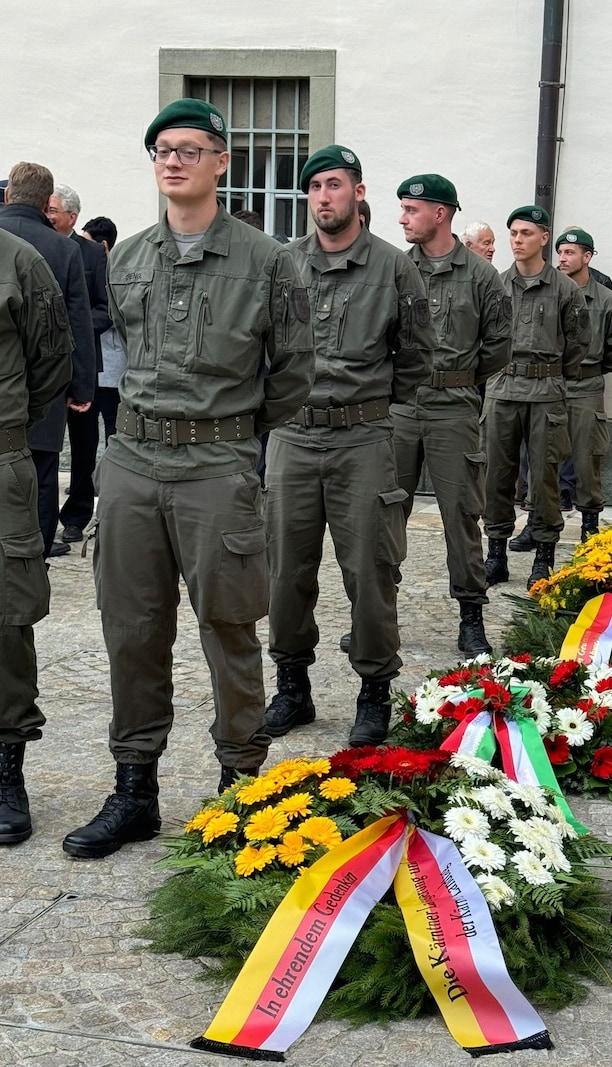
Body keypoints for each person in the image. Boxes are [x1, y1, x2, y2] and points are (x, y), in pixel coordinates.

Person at [61, 98, 314, 859]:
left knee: (229, 627)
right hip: (133, 463)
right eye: (162, 150)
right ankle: (134, 787)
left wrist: (230, 431)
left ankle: (241, 785)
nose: (173, 160)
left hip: (217, 467)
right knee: (132, 630)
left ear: (220, 161)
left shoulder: (268, 260)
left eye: (190, 149)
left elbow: (294, 373)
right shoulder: (129, 256)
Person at [263, 145, 434, 747]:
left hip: (363, 438)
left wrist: (371, 408)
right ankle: (292, 687)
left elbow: (416, 356)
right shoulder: (282, 263)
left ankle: (373, 690)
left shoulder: (394, 267)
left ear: (358, 193)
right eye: (313, 188)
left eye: (333, 185)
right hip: (291, 435)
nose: (322, 198)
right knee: (285, 569)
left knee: (370, 571)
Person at [394, 174, 511, 655]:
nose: (402, 218)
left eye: (411, 210)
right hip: (400, 406)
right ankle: (375, 615)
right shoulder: (396, 269)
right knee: (383, 513)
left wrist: (456, 379)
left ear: (439, 214)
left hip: (454, 409)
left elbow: (498, 347)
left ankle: (470, 616)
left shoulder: (481, 276)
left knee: (462, 514)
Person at [0, 227, 73, 844]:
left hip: (0, 465)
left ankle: (6, 768)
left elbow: (53, 357)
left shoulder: (18, 262)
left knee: (6, 620)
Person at [483, 205, 589, 589]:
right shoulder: (495, 284)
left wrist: (553, 376)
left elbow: (578, 342)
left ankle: (543, 557)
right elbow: (484, 336)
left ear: (544, 238)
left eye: (526, 233)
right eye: (513, 233)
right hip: (501, 389)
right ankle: (495, 554)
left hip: (546, 392)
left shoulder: (565, 289)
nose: (517, 240)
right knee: (496, 474)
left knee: (544, 477)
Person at [0, 163, 95, 560]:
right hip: (41, 382)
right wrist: (81, 386)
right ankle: (34, 552)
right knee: (40, 469)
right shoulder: (63, 248)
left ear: (7, 195)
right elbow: (77, 320)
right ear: (46, 203)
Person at [48, 185, 111, 546]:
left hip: (84, 363)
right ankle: (42, 514)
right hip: (45, 366)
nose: (48, 214)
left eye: (53, 209)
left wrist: (73, 327)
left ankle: (76, 515)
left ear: (72, 216)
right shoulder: (38, 246)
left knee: (85, 443)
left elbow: (105, 307)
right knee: (45, 444)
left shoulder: (92, 254)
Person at [550, 229, 612, 542]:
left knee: (587, 459)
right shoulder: (547, 292)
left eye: (569, 253)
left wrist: (586, 370)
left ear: (587, 257)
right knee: (544, 458)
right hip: (549, 386)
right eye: (560, 253)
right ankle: (542, 526)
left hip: (587, 387)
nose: (562, 259)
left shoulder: (607, 300)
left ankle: (589, 528)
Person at [82, 217, 123, 443]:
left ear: (103, 245)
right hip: (100, 367)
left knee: (112, 428)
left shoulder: (116, 273)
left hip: (111, 365)